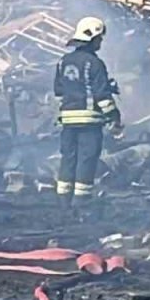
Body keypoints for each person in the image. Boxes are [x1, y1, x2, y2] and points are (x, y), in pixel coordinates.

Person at [54, 17, 122, 209]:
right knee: (87, 159)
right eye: (99, 39)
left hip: (67, 120)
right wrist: (114, 115)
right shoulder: (95, 63)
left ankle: (63, 201)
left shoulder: (63, 61)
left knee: (68, 158)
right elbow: (102, 97)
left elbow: (59, 90)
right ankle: (81, 201)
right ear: (92, 39)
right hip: (89, 122)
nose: (100, 42)